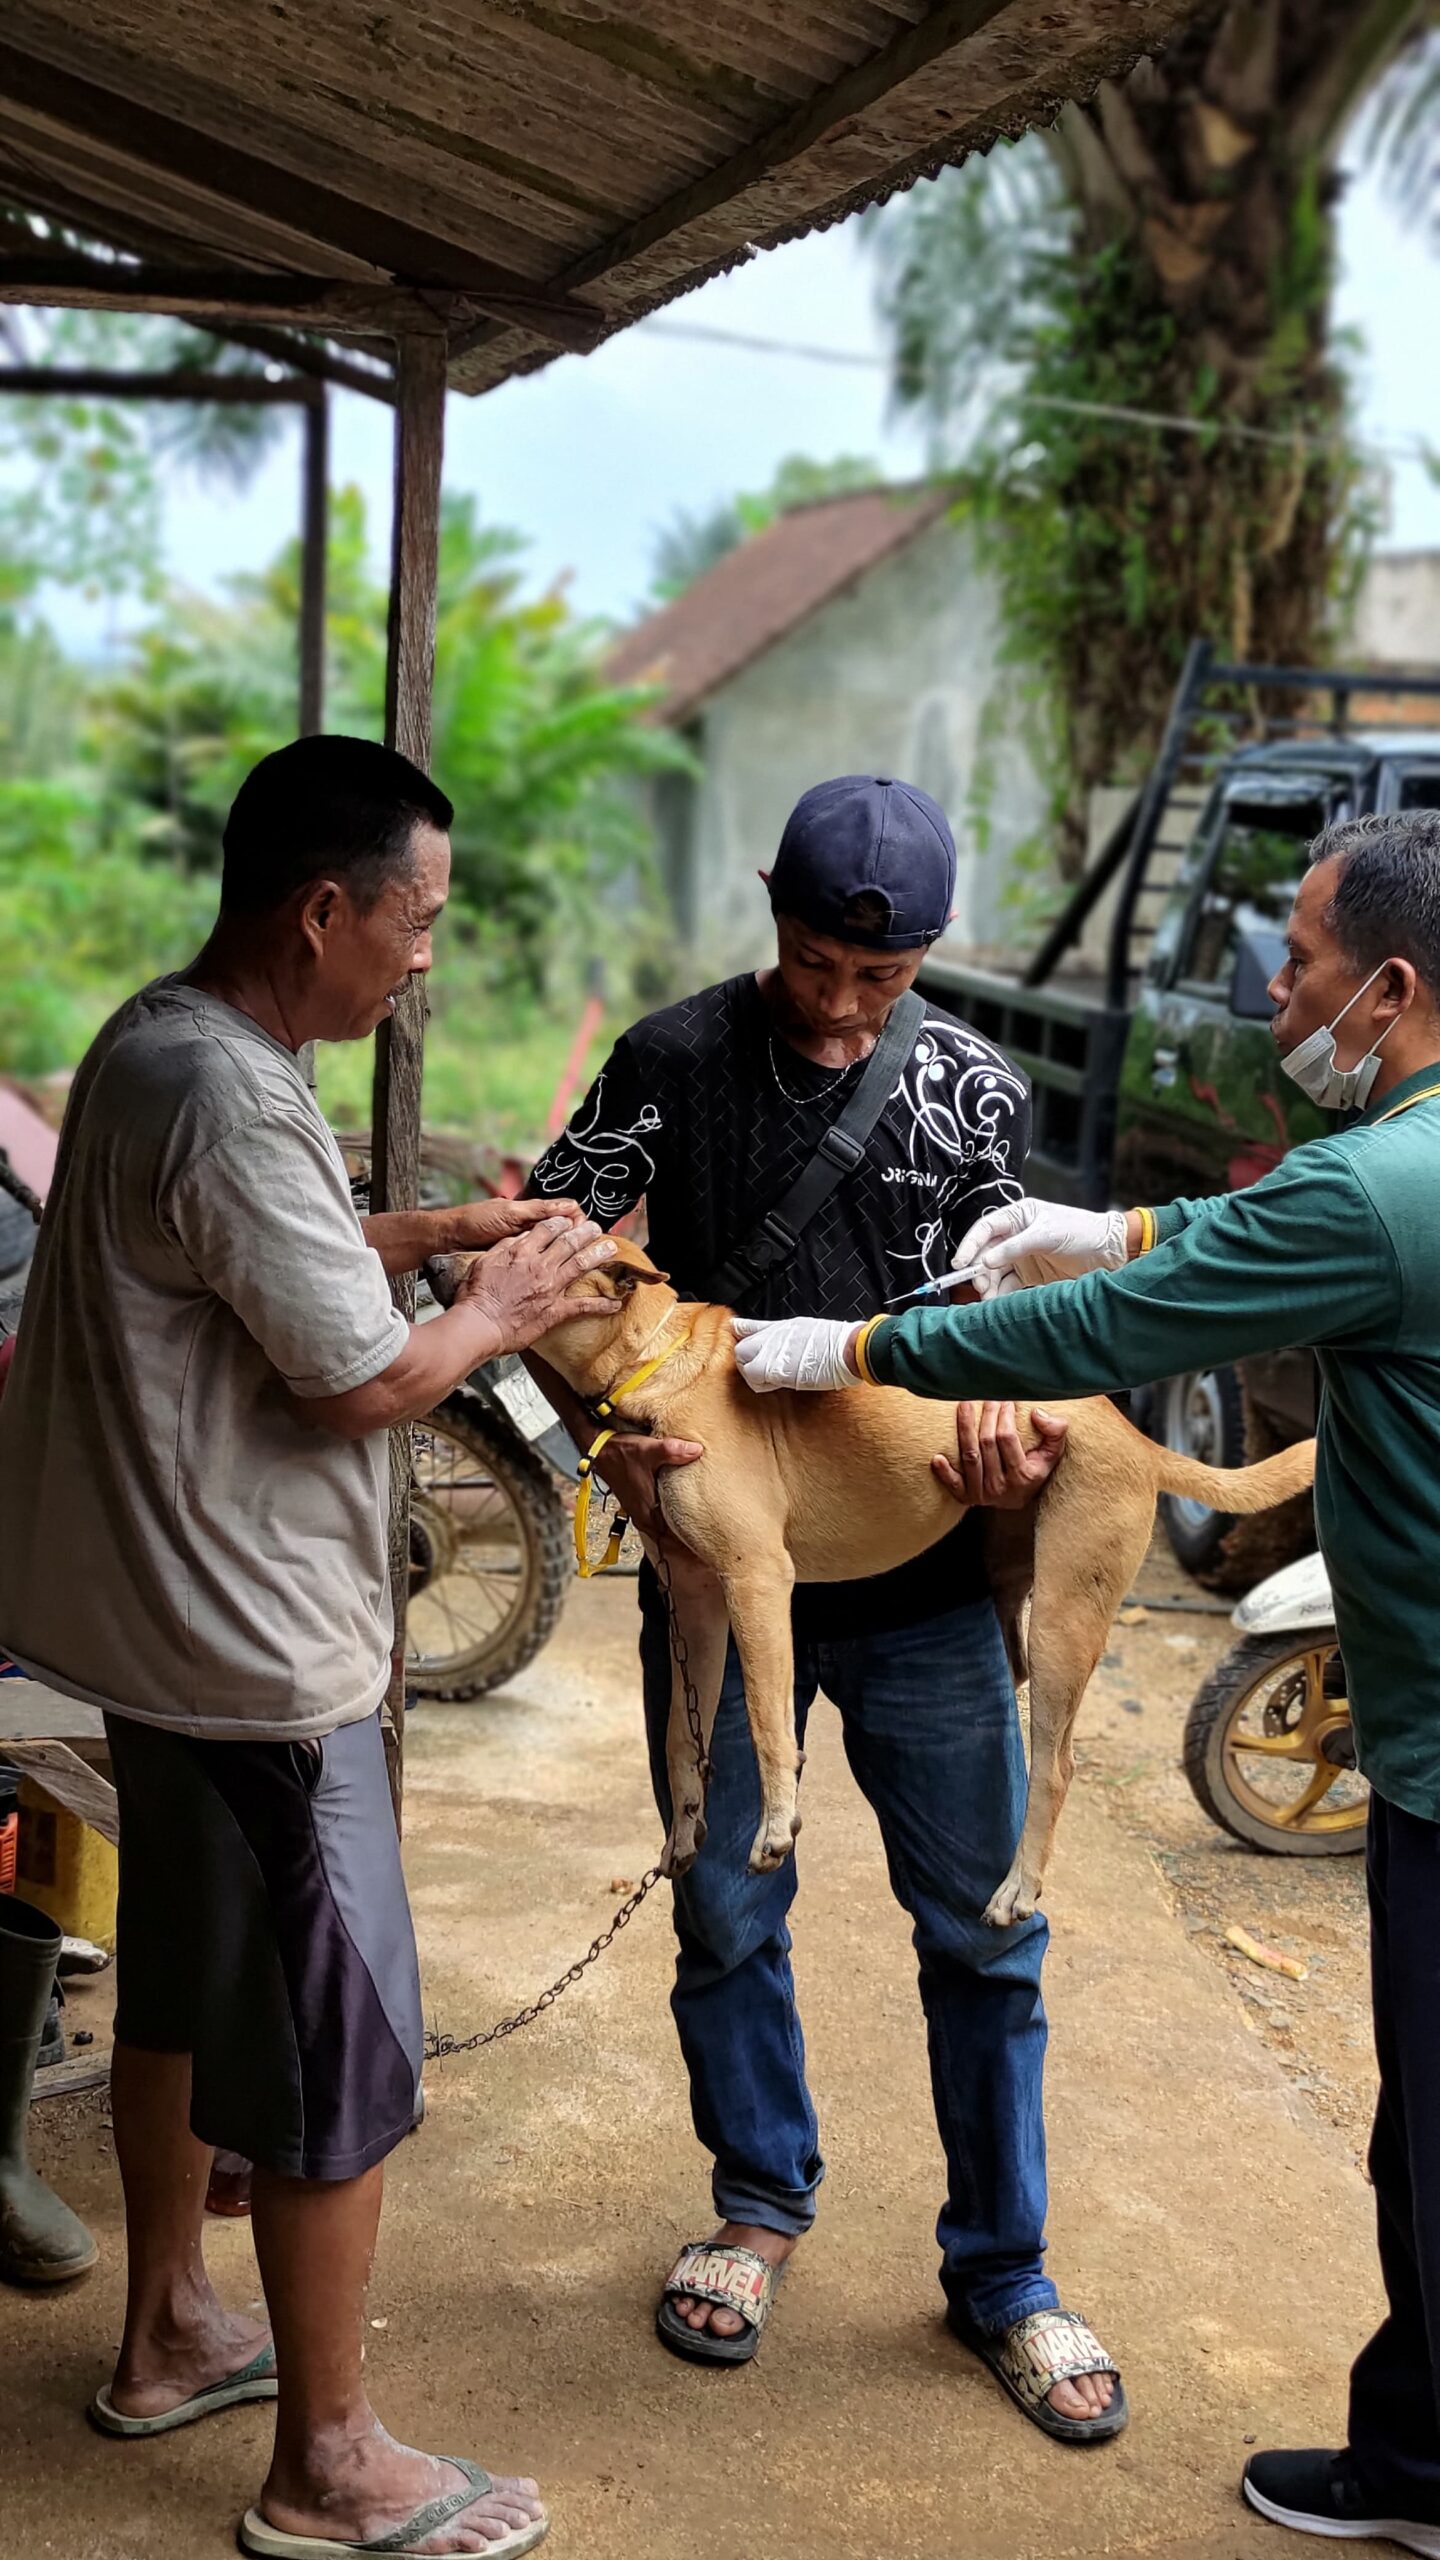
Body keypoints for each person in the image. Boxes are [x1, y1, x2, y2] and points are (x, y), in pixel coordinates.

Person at [731, 807, 1440, 2549]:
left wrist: (865, 1343)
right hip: (1415, 1733)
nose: (1279, 995)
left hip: (1417, 1743)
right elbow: (1241, 1246)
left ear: (1397, 989)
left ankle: (1028, 2279)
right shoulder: (675, 1058)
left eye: (1305, 964)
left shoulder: (1378, 1179)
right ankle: (1416, 2466)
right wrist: (1113, 1224)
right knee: (1415, 2143)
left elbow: (1119, 1335)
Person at [0, 735, 622, 2560]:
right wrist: (500, 1302)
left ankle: (170, 2328)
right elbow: (357, 1377)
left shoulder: (155, 1041)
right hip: (263, 1654)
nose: (420, 954)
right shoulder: (236, 1097)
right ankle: (327, 2466)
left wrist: (426, 1230)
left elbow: (248, 1263)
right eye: (413, 920)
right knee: (339, 2045)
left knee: (191, 1983)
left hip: (154, 1625)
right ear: (323, 908)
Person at [525, 773, 1129, 2442]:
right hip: (722, 1566)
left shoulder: (975, 1089)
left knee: (986, 1932)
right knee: (721, 1906)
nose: (849, 1004)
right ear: (772, 909)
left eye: (886, 976)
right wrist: (604, 1437)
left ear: (927, 957)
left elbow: (1020, 1308)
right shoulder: (669, 1060)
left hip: (927, 1574)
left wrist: (1015, 1427)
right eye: (817, 963)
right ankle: (757, 2203)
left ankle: (1005, 2271)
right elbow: (546, 1260)